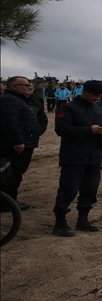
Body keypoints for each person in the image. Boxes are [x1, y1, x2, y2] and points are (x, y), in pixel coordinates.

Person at [52, 80, 102, 236]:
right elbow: (61, 129)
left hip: (94, 157)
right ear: (85, 92)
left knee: (90, 190)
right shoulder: (68, 108)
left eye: (100, 95)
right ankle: (60, 222)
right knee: (68, 190)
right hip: (74, 156)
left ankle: (83, 220)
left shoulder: (99, 110)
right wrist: (89, 130)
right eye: (95, 95)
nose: (97, 98)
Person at [1, 76, 47, 210]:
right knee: (12, 174)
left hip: (24, 144)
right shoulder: (9, 101)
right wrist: (19, 141)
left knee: (16, 173)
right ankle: (7, 203)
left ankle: (10, 200)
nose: (30, 87)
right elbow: (10, 123)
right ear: (14, 87)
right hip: (15, 147)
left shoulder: (19, 100)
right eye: (26, 85)